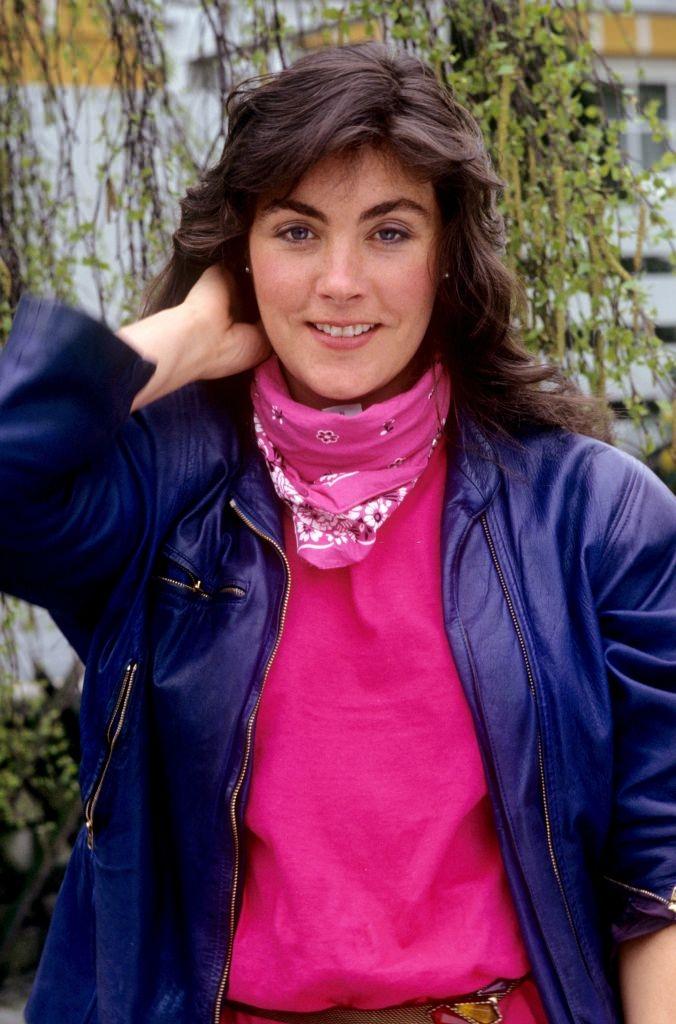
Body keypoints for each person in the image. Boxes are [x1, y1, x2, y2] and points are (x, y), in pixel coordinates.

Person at [0, 41, 674, 1024]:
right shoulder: (163, 497)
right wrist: (188, 335)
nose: (341, 282)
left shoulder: (593, 515)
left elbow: (660, 872)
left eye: (389, 232)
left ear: (447, 253)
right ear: (242, 252)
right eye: (298, 231)